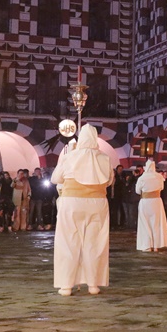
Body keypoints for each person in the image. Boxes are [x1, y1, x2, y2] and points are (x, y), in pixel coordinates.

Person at [51, 125, 114, 296]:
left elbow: (55, 178)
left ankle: (66, 285)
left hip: (72, 202)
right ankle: (93, 284)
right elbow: (108, 181)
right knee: (96, 243)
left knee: (68, 242)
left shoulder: (70, 157)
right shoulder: (105, 158)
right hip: (97, 202)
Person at [135, 160, 167, 252]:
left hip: (145, 202)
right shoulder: (159, 177)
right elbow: (162, 188)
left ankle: (147, 245)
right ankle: (156, 245)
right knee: (156, 223)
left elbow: (137, 191)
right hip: (156, 202)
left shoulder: (142, 178)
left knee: (145, 223)